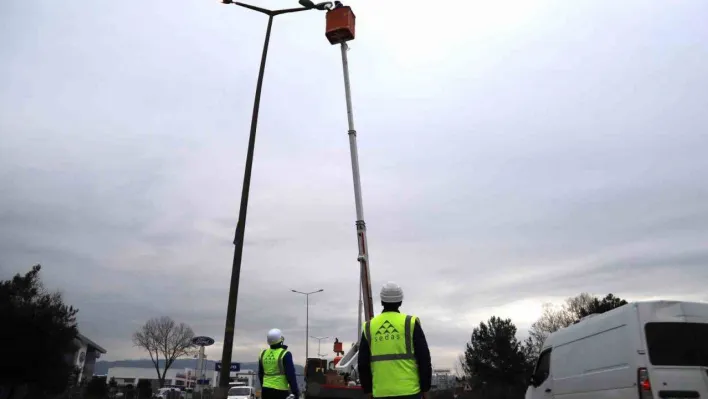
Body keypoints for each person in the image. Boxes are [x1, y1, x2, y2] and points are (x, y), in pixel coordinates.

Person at [358, 282, 432, 399]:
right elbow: (424, 359)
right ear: (400, 301)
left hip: (381, 392)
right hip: (410, 391)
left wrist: (368, 390)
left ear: (382, 302)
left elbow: (362, 364)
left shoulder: (369, 326)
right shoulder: (410, 323)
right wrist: (426, 389)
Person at [258, 328, 300, 399]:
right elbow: (290, 375)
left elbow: (260, 374)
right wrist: (295, 392)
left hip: (266, 390)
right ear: (281, 339)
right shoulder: (285, 354)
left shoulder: (263, 353)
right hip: (280, 390)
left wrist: (264, 386)